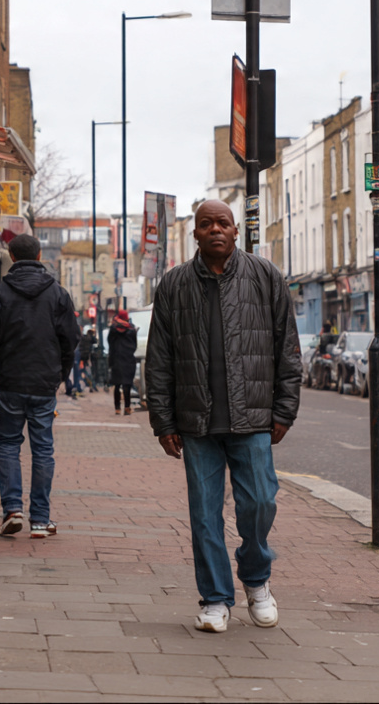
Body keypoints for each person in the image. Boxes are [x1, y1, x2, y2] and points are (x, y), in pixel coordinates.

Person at [144, 200, 301, 634]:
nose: (215, 229)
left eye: (222, 223)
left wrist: (284, 409)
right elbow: (159, 359)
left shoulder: (265, 276)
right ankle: (215, 599)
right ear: (194, 233)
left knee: (260, 503)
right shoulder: (174, 284)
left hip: (253, 418)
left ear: (235, 231)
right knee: (205, 515)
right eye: (206, 224)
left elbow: (288, 349)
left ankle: (256, 577)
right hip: (196, 422)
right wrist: (163, 421)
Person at [0, 234, 81, 539]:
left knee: (8, 444)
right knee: (43, 448)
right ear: (39, 256)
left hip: (10, 380)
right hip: (43, 383)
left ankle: (12, 509)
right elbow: (71, 339)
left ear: (11, 255)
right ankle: (40, 519)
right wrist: (60, 374)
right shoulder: (58, 294)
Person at [107, 309, 137, 415]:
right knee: (127, 384)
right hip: (128, 359)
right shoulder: (132, 329)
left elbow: (110, 342)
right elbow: (135, 345)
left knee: (117, 385)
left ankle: (117, 408)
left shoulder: (113, 329)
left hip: (116, 359)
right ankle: (127, 408)